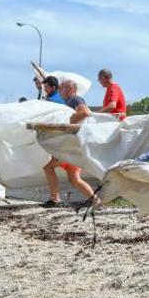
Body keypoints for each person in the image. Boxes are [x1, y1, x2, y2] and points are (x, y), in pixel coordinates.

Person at [40, 79, 95, 208]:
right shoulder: (68, 102)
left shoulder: (75, 99)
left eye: (62, 88)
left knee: (48, 167)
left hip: (70, 148)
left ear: (71, 89)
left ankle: (55, 198)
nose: (59, 91)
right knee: (74, 179)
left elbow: (86, 112)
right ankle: (96, 200)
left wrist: (68, 121)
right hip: (72, 147)